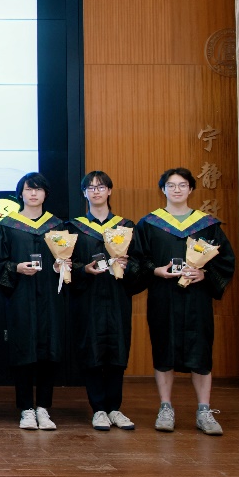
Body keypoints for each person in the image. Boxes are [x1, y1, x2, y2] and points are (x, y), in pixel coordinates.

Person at [134, 167, 235, 436]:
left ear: (190, 189)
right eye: (171, 185)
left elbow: (225, 260)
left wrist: (204, 274)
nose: (176, 189)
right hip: (163, 297)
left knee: (201, 352)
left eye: (182, 185)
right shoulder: (149, 224)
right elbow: (137, 259)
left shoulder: (207, 225)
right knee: (163, 349)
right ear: (163, 189)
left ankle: (204, 410)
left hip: (197, 299)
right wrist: (155, 270)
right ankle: (165, 407)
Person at [0, 172, 67, 430]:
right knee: (23, 350)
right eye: (29, 189)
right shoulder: (7, 226)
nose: (33, 193)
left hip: (50, 297)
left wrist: (62, 266)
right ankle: (26, 409)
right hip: (20, 296)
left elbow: (69, 261)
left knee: (48, 350)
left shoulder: (57, 226)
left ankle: (43, 407)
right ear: (20, 193)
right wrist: (15, 268)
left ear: (45, 194)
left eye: (38, 189)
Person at [68, 171, 143, 432]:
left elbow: (140, 263)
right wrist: (83, 270)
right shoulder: (74, 228)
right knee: (92, 352)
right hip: (87, 298)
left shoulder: (126, 227)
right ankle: (98, 408)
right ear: (84, 193)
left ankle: (115, 408)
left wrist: (127, 265)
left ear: (109, 191)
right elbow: (66, 264)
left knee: (116, 351)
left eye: (101, 187)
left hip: (117, 297)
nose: (96, 191)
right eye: (90, 187)